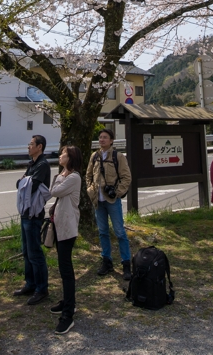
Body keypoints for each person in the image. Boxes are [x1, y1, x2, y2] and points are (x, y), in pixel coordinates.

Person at [86, 128, 132, 280]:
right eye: (100, 137)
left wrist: (117, 192)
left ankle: (126, 264)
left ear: (111, 140)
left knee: (119, 232)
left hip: (112, 201)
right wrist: (90, 190)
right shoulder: (95, 156)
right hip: (98, 201)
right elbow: (89, 175)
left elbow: (126, 177)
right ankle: (107, 261)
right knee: (103, 232)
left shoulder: (118, 156)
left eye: (105, 137)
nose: (102, 140)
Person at [13, 135, 51, 305]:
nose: (28, 147)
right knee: (26, 250)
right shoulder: (32, 164)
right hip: (25, 212)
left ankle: (41, 289)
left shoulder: (42, 165)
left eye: (31, 144)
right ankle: (31, 283)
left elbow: (31, 186)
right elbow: (20, 184)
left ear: (39, 146)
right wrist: (23, 182)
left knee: (35, 252)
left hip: (34, 214)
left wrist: (23, 182)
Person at [48, 145, 82, 335]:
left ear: (71, 158)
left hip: (68, 229)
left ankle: (68, 314)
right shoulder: (66, 175)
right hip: (61, 228)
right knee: (63, 268)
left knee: (66, 270)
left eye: (64, 154)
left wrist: (62, 174)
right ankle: (67, 303)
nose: (60, 156)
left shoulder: (74, 177)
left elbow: (54, 191)